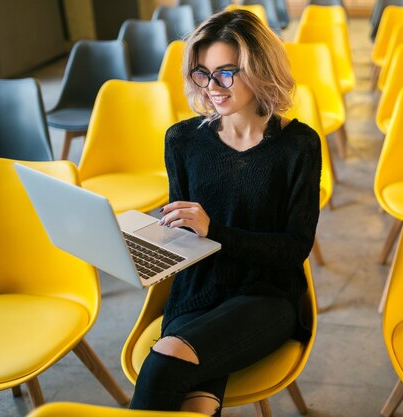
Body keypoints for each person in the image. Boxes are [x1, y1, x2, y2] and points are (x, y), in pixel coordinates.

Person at [128, 9, 322, 417]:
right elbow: (186, 230)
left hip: (265, 296)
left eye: (226, 72)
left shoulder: (297, 145)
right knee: (196, 403)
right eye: (202, 73)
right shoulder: (182, 140)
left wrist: (215, 230)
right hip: (198, 290)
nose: (212, 87)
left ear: (260, 69)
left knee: (164, 361)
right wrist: (146, 240)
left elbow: (294, 249)